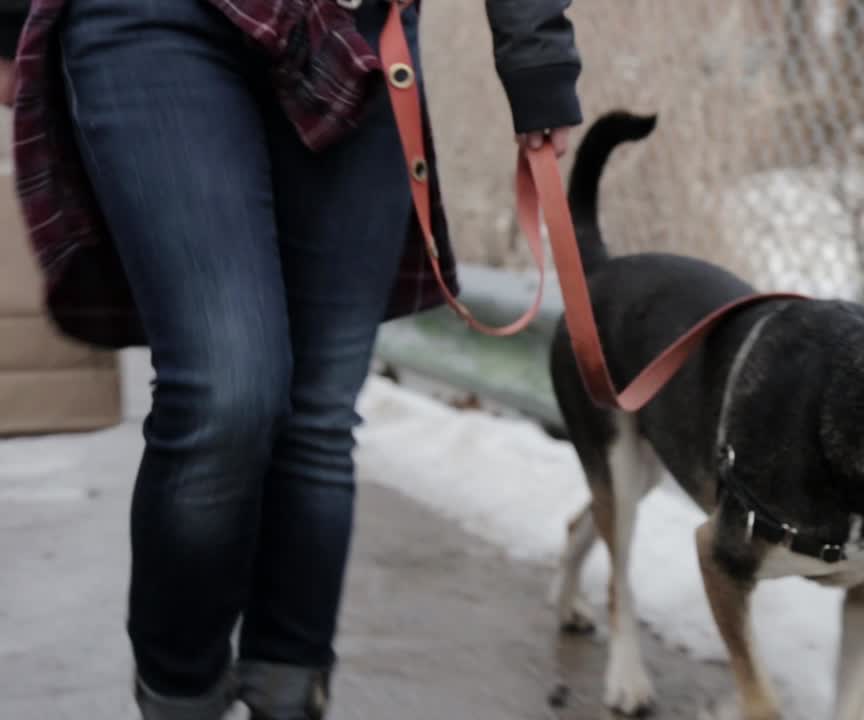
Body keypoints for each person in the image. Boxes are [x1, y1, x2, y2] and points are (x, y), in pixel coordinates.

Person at [0, 0, 582, 718]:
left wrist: (537, 58)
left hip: (354, 29)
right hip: (150, 23)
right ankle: (182, 696)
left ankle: (290, 696)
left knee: (317, 416)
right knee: (226, 393)